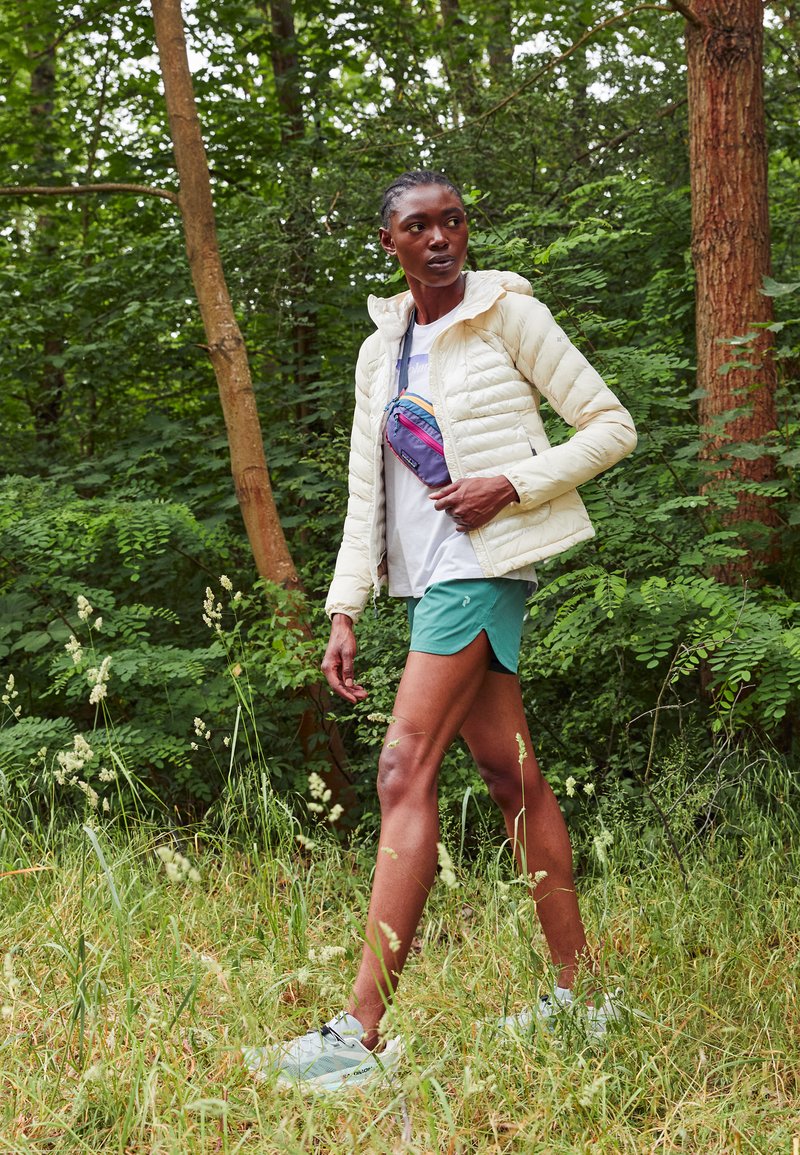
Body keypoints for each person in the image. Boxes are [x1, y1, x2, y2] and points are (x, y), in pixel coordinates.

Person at [242, 170, 637, 1091]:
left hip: (484, 566)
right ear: (389, 242)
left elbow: (611, 424)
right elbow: (365, 492)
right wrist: (344, 606)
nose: (440, 238)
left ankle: (360, 1032)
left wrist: (513, 483)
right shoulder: (381, 351)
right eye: (419, 226)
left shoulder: (508, 315)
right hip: (426, 585)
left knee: (401, 768)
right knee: (509, 774)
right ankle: (584, 997)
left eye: (453, 221)